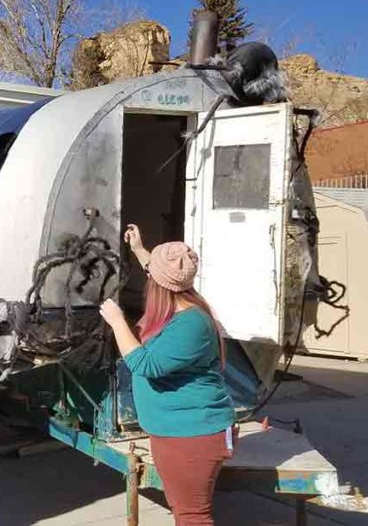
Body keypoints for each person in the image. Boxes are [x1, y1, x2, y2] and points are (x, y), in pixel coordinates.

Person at [99, 224, 236, 526]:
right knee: (183, 510)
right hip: (179, 431)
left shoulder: (190, 324)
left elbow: (145, 364)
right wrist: (138, 249)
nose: (147, 281)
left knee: (192, 518)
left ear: (159, 286)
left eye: (150, 278)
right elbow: (157, 270)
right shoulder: (181, 298)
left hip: (192, 435)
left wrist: (118, 321)